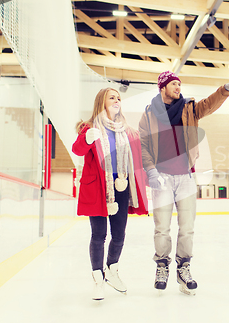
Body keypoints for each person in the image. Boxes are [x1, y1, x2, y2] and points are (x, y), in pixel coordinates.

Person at [139, 71, 229, 295]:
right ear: (163, 87)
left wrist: (225, 89)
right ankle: (162, 266)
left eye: (179, 83)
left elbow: (209, 104)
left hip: (185, 177)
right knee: (162, 229)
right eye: (173, 84)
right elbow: (144, 147)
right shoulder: (149, 113)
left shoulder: (188, 107)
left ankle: (184, 268)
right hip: (162, 179)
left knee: (187, 228)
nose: (178, 87)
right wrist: (151, 171)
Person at [72, 87, 148, 300]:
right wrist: (86, 139)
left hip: (121, 185)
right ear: (101, 102)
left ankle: (111, 270)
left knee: (119, 234)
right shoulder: (89, 127)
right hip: (97, 187)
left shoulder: (127, 130)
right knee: (99, 235)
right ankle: (97, 279)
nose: (117, 100)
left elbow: (141, 156)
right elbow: (77, 150)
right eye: (112, 97)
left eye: (119, 98)